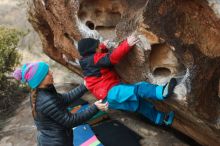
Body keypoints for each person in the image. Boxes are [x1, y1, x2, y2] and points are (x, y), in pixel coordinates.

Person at [76, 34, 177, 126]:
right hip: (111, 92)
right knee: (139, 89)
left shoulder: (86, 62)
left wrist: (102, 47)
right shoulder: (94, 59)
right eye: (97, 47)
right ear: (93, 50)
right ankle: (161, 92)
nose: (99, 47)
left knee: (140, 105)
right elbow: (111, 58)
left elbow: (97, 57)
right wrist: (127, 44)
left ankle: (162, 119)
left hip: (108, 101)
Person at [13, 61, 108, 146]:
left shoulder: (42, 90)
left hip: (50, 138)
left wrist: (84, 86)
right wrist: (95, 107)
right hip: (56, 142)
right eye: (47, 73)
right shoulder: (46, 100)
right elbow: (70, 121)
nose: (51, 73)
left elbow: (63, 99)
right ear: (40, 80)